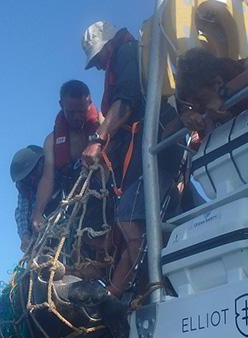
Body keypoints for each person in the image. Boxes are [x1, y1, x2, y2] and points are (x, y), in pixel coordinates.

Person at [81, 21, 182, 298]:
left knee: (128, 218)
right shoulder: (126, 54)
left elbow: (126, 102)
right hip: (153, 149)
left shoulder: (127, 53)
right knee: (135, 218)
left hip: (154, 143)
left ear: (109, 45)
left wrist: (98, 140)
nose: (100, 66)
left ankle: (154, 285)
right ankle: (137, 288)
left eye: (98, 58)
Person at [30, 80, 104, 233]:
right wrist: (37, 212)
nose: (77, 117)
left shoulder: (102, 124)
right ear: (61, 105)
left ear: (89, 103)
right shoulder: (51, 141)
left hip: (103, 198)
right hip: (74, 205)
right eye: (71, 112)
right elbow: (47, 179)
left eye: (82, 111)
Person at [175, 47, 248, 137]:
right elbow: (166, 134)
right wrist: (186, 118)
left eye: (200, 98)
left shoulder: (242, 66)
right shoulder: (202, 108)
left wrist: (222, 96)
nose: (197, 104)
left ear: (218, 83)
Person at [10, 145, 44, 252]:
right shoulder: (25, 187)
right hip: (41, 239)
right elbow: (21, 212)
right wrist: (25, 236)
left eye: (31, 175)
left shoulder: (58, 173)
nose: (30, 180)